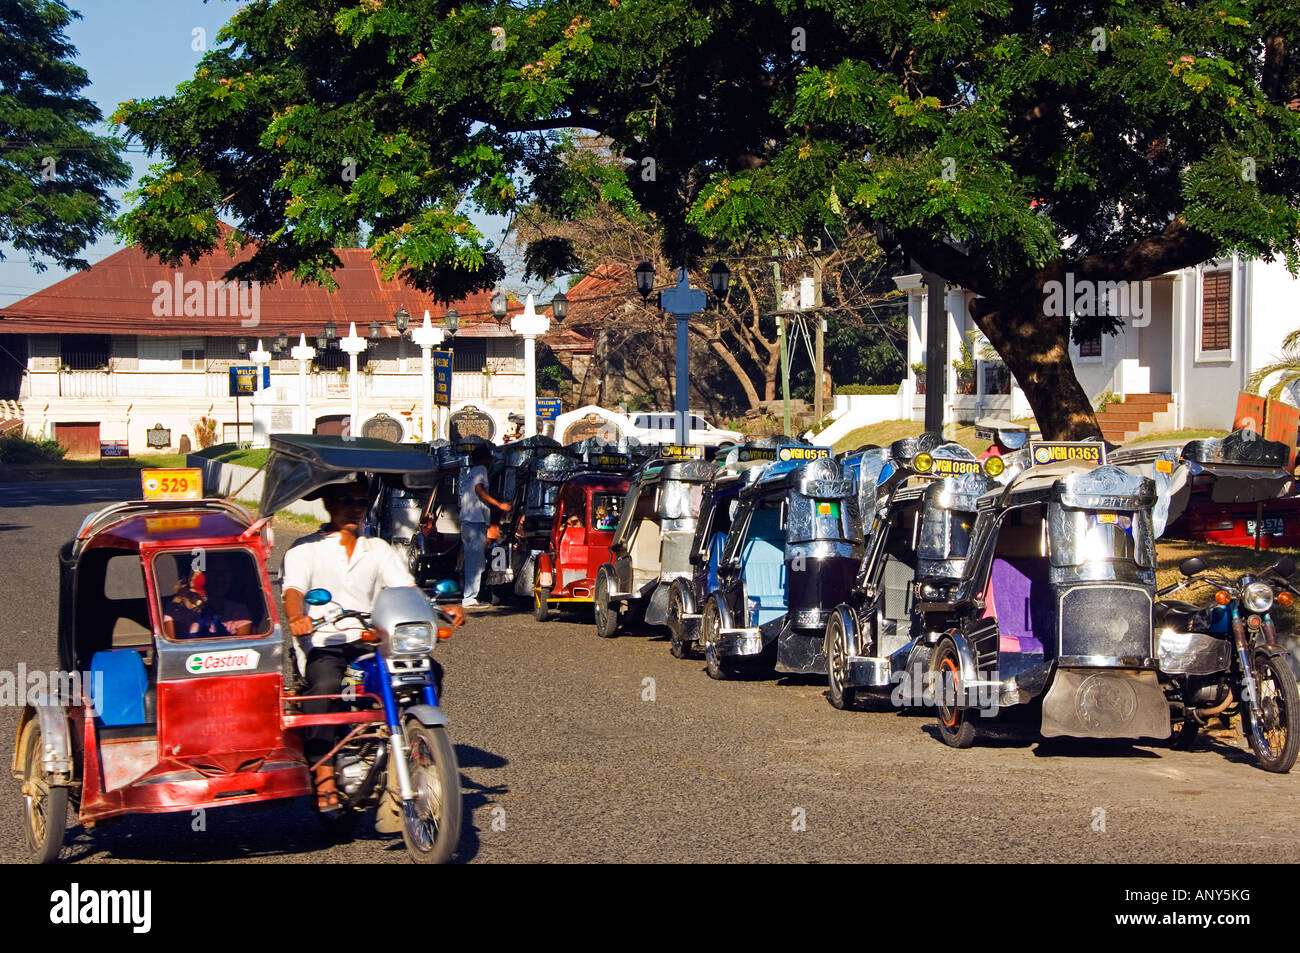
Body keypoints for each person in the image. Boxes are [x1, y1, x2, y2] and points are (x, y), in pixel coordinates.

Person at [282, 476, 428, 810]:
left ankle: (415, 746)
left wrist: (435, 609)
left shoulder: (378, 548)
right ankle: (324, 776)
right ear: (329, 505)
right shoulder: (306, 548)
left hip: (367, 644)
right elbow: (293, 590)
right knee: (328, 686)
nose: (354, 508)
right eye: (346, 500)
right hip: (326, 643)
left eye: (361, 502)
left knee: (425, 671)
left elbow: (405, 588)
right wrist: (296, 617)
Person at [457, 447, 510, 608]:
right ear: (485, 460)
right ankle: (470, 598)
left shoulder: (469, 473)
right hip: (475, 522)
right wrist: (499, 504)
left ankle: (470, 595)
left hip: (467, 522)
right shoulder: (480, 470)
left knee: (474, 562)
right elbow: (479, 490)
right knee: (475, 563)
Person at [163, 557, 254, 638]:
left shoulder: (239, 611)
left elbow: (243, 648)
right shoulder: (175, 611)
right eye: (213, 573)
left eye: (225, 573)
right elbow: (173, 649)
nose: (220, 579)